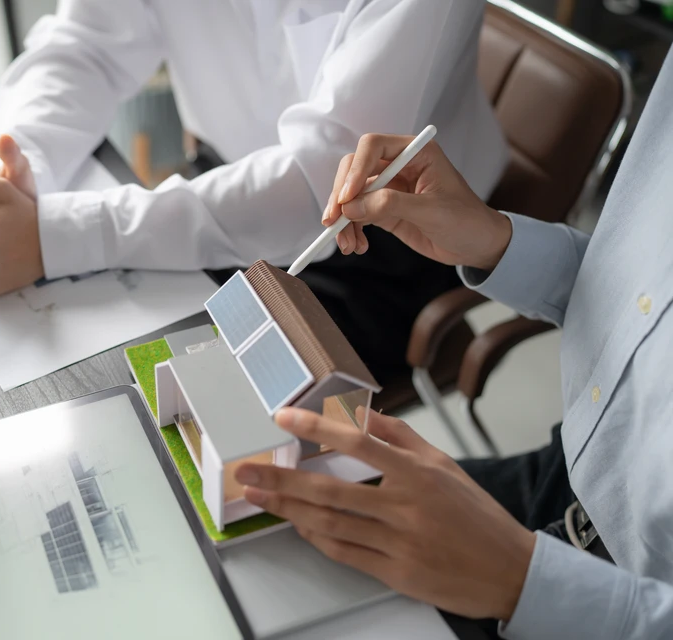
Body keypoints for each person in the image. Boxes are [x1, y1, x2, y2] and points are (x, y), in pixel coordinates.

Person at [231, 46, 673, 639]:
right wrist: (493, 238)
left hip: (614, 606)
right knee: (268, 558)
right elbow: (643, 300)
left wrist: (521, 581)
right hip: (567, 479)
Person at [0, 0, 507, 383]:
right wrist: (3, 174)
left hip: (384, 241)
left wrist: (54, 238)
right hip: (222, 184)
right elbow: (85, 46)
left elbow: (322, 184)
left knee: (166, 397)